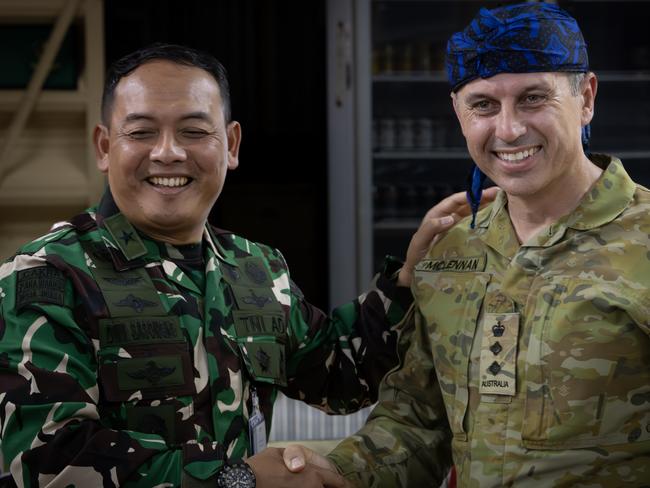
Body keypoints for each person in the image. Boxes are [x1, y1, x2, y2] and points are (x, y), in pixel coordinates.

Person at [0, 43, 494, 487]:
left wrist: (407, 278)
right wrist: (236, 479)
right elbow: (46, 460)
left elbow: (342, 375)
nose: (168, 153)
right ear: (106, 147)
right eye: (142, 132)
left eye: (194, 131)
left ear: (231, 145)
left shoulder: (254, 267)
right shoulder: (44, 278)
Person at [283, 3, 650, 486]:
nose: (509, 129)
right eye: (483, 105)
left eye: (533, 98)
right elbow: (417, 423)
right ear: (459, 113)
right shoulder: (451, 250)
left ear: (586, 98)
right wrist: (332, 472)